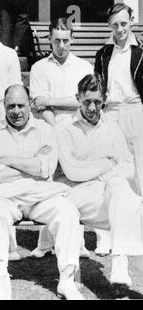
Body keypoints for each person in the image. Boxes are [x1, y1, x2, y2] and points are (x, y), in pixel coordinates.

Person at [0, 85, 83, 300]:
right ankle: (1, 277)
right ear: (3, 106)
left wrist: (7, 161)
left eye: (21, 105)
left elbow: (46, 169)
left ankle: (66, 280)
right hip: (6, 197)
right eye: (11, 106)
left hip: (40, 196)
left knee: (67, 211)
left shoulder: (45, 129)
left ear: (30, 105)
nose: (16, 111)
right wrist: (32, 163)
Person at [53, 74, 143, 291]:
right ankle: (120, 257)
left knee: (121, 186)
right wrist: (106, 165)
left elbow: (128, 165)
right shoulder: (63, 127)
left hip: (108, 195)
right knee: (127, 200)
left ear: (105, 99)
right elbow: (72, 171)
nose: (92, 108)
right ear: (77, 98)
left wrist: (105, 176)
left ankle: (120, 259)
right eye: (87, 102)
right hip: (76, 195)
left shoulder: (111, 127)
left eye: (97, 102)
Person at [29, 18, 110, 258]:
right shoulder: (39, 67)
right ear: (50, 40)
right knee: (51, 185)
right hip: (49, 130)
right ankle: (45, 242)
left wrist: (53, 101)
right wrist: (54, 128)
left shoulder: (83, 66)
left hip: (80, 131)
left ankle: (87, 241)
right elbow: (37, 104)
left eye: (65, 40)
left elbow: (86, 102)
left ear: (72, 39)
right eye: (56, 40)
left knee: (85, 183)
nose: (61, 45)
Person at [95, 3, 143, 196]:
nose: (120, 29)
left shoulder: (140, 52)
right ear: (109, 24)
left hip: (135, 110)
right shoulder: (103, 54)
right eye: (115, 24)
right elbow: (98, 87)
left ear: (131, 21)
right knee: (112, 162)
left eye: (124, 23)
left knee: (139, 162)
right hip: (110, 113)